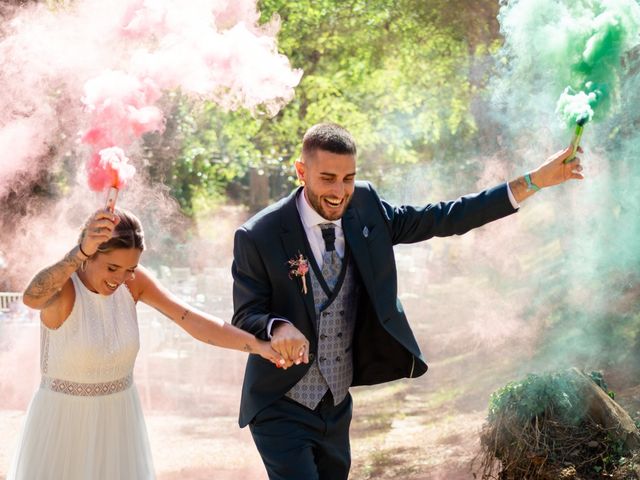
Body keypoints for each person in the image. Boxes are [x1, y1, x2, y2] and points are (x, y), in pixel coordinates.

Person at [231, 122, 583, 480]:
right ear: (301, 171)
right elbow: (247, 314)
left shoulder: (365, 205)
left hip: (336, 406)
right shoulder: (260, 235)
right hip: (281, 404)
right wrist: (277, 326)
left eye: (348, 178)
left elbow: (444, 217)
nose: (340, 191)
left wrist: (534, 180)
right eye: (328, 178)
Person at [9, 208, 282, 480]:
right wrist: (78, 251)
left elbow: (191, 320)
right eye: (112, 267)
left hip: (119, 423)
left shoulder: (133, 283)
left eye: (129, 269)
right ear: (89, 254)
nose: (119, 278)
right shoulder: (64, 287)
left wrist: (259, 346)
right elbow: (31, 298)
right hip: (64, 427)